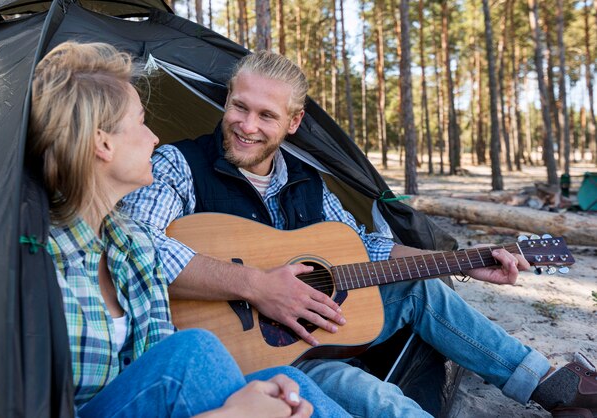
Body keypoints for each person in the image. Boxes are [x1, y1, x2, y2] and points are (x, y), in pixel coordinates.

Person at [122, 51, 597, 418]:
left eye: (266, 116)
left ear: (293, 122)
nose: (246, 126)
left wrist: (464, 260)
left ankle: (551, 386)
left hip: (312, 337)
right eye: (238, 107)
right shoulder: (177, 165)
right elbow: (135, 248)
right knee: (380, 399)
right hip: (248, 359)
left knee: (419, 283)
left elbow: (362, 247)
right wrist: (258, 286)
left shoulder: (307, 181)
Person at [26, 41, 351, 418]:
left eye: (266, 115)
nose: (155, 138)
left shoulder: (133, 246)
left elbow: (160, 378)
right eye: (142, 122)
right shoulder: (38, 262)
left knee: (288, 386)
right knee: (194, 352)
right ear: (102, 143)